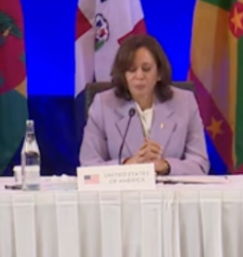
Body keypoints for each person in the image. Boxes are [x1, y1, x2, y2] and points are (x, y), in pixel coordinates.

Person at [79, 34, 209, 175]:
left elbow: (200, 164)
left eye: (146, 69)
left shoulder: (185, 102)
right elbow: (88, 166)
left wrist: (165, 166)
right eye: (132, 70)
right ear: (123, 75)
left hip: (173, 194)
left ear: (159, 73)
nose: (139, 76)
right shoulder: (103, 105)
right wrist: (127, 165)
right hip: (122, 195)